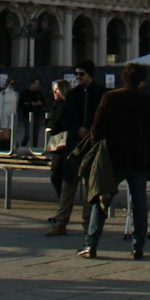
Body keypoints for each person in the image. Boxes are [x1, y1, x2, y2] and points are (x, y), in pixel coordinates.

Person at [79, 62, 150, 259]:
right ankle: (138, 246)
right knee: (140, 204)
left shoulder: (110, 97)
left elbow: (95, 129)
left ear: (123, 77)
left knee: (101, 199)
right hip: (138, 158)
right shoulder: (148, 101)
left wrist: (100, 148)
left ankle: (91, 245)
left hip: (112, 159)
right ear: (142, 80)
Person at [45, 61, 104, 236]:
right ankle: (61, 222)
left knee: (90, 185)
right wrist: (77, 128)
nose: (78, 77)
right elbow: (66, 118)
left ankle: (88, 224)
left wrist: (93, 130)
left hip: (92, 145)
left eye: (82, 74)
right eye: (76, 74)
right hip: (74, 146)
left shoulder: (101, 94)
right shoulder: (72, 95)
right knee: (68, 185)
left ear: (90, 75)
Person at [46, 78, 71, 207]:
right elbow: (51, 120)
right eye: (53, 90)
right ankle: (62, 204)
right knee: (57, 176)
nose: (54, 93)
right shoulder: (55, 105)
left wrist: (52, 125)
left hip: (64, 144)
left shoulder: (68, 105)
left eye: (56, 90)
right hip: (57, 143)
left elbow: (59, 122)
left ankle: (63, 205)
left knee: (58, 176)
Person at [18, 77, 46, 150]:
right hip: (27, 116)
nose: (37, 85)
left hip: (37, 115)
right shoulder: (25, 93)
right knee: (27, 134)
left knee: (35, 134)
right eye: (36, 84)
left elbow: (44, 102)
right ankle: (23, 146)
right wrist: (30, 104)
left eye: (38, 84)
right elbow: (21, 103)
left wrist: (40, 103)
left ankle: (34, 149)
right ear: (32, 84)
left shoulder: (39, 93)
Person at [0, 78, 19, 147]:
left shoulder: (15, 93)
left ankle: (12, 145)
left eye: (13, 84)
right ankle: (6, 145)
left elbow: (16, 104)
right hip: (4, 116)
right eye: (11, 84)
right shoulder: (3, 93)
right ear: (7, 84)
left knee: (12, 131)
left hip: (13, 115)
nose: (12, 85)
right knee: (6, 132)